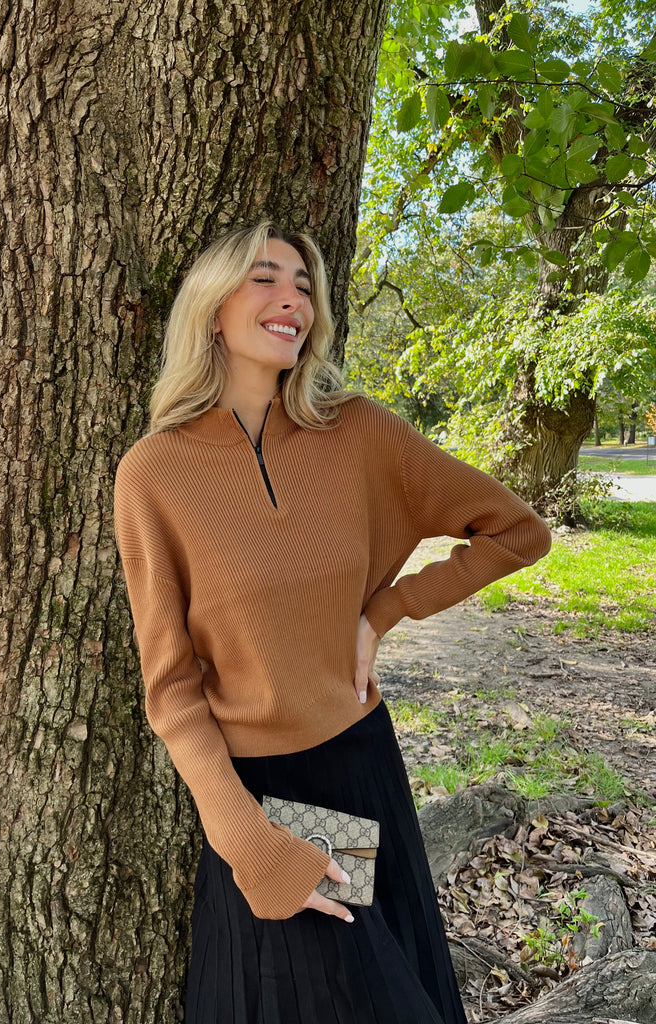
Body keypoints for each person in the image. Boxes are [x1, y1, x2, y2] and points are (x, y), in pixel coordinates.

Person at [113, 219, 552, 1023]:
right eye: (265, 279)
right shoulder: (154, 474)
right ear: (212, 308)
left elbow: (518, 533)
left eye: (304, 285)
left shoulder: (360, 432)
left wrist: (386, 609)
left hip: (360, 764)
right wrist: (248, 840)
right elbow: (171, 691)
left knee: (391, 995)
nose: (293, 300)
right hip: (262, 795)